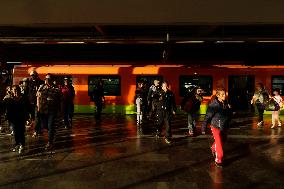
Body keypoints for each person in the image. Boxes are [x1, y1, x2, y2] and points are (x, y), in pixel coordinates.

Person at [202, 88, 232, 168]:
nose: (224, 96)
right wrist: (203, 127)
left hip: (223, 126)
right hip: (215, 126)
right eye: (222, 94)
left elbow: (229, 114)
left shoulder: (225, 102)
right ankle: (219, 159)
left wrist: (229, 109)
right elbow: (208, 116)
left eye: (224, 94)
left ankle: (213, 148)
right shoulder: (214, 105)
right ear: (218, 95)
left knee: (223, 140)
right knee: (219, 143)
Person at [37, 74, 62, 149]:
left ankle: (50, 142)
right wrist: (38, 107)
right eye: (46, 79)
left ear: (52, 80)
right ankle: (53, 133)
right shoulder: (41, 87)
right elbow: (38, 97)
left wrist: (59, 110)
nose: (47, 80)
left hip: (52, 110)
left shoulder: (56, 89)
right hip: (43, 110)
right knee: (44, 126)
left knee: (50, 125)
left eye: (49, 79)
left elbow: (60, 100)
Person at [6, 85, 30, 154]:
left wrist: (30, 117)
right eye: (14, 90)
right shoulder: (9, 98)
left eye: (17, 89)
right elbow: (3, 106)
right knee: (15, 132)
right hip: (13, 118)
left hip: (21, 117)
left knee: (21, 131)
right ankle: (17, 144)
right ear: (12, 91)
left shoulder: (24, 98)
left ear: (19, 90)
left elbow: (28, 107)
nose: (15, 91)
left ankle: (22, 145)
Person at [29, 70, 44, 137]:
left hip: (38, 103)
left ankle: (36, 131)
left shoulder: (41, 82)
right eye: (31, 75)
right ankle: (40, 130)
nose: (32, 77)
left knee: (37, 116)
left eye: (33, 75)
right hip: (30, 103)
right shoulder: (29, 82)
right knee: (34, 117)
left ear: (36, 75)